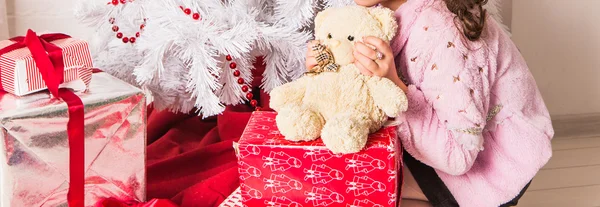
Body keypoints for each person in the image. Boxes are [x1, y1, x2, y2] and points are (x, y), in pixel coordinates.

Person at [306, 0, 554, 206]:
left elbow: (459, 155)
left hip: (494, 164)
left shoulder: (443, 31)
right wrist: (328, 69)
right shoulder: (379, 15)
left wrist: (393, 82)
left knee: (355, 183)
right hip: (439, 138)